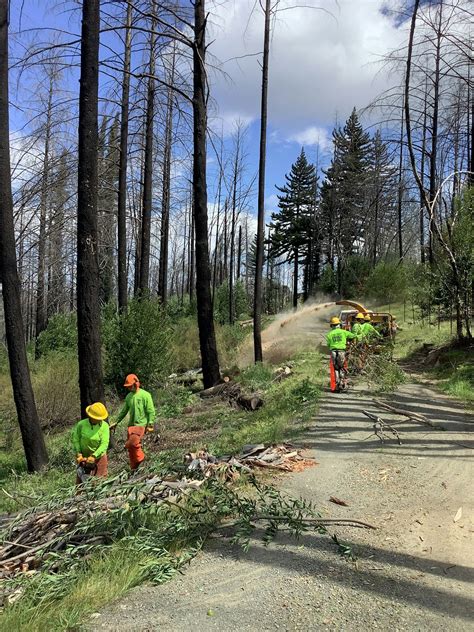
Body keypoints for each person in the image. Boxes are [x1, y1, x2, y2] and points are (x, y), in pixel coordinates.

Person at [110, 374, 156, 471]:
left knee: (132, 444)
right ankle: (134, 469)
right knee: (131, 450)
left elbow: (151, 411)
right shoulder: (129, 397)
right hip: (131, 426)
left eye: (130, 385)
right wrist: (116, 422)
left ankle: (142, 459)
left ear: (136, 383)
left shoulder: (145, 395)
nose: (129, 388)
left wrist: (150, 424)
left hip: (141, 425)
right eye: (128, 386)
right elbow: (124, 411)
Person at [72, 402, 110, 484]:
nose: (100, 419)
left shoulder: (104, 426)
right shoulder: (81, 424)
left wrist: (94, 456)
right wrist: (78, 453)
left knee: (99, 481)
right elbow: (76, 439)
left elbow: (104, 444)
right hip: (84, 457)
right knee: (81, 483)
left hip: (99, 457)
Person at [326, 317, 356, 389]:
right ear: (339, 324)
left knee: (335, 368)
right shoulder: (343, 332)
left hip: (333, 352)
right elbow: (353, 336)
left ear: (332, 325)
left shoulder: (329, 334)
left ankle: (336, 383)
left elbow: (328, 345)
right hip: (341, 352)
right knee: (342, 367)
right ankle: (342, 381)